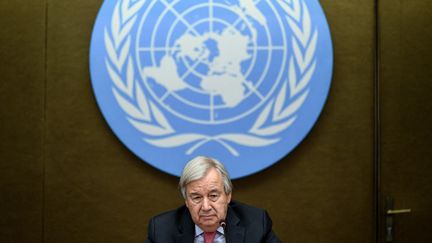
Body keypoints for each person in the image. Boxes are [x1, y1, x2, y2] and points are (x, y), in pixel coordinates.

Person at [145, 156, 281, 243]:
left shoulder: (256, 224)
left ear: (228, 195)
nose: (206, 207)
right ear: (186, 200)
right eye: (196, 197)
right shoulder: (162, 230)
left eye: (213, 196)